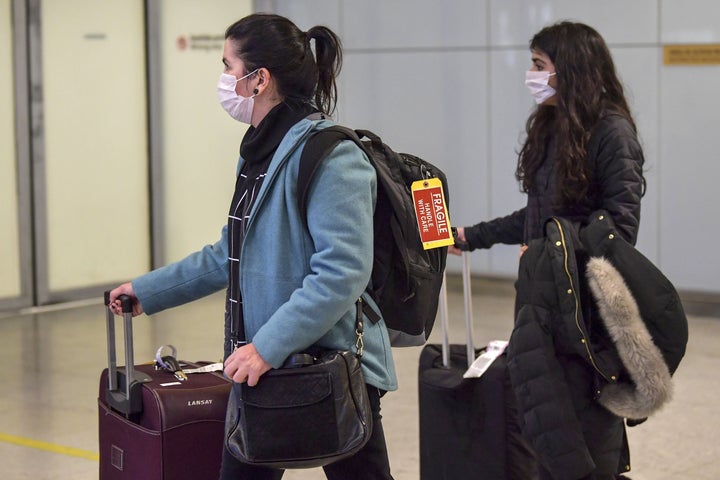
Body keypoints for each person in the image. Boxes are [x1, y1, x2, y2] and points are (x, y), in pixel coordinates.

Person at [109, 13, 397, 480]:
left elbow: (342, 271)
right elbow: (232, 252)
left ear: (258, 79)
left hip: (328, 366)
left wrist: (266, 346)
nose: (223, 80)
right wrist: (149, 290)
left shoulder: (332, 155)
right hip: (262, 362)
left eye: (228, 66)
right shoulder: (259, 150)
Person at [450, 22, 646, 480]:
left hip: (584, 308)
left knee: (585, 428)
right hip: (541, 300)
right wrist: (470, 235)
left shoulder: (611, 133)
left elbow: (620, 229)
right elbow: (539, 215)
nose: (531, 74)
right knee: (546, 424)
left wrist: (549, 253)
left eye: (539, 65)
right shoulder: (553, 126)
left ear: (571, 69)